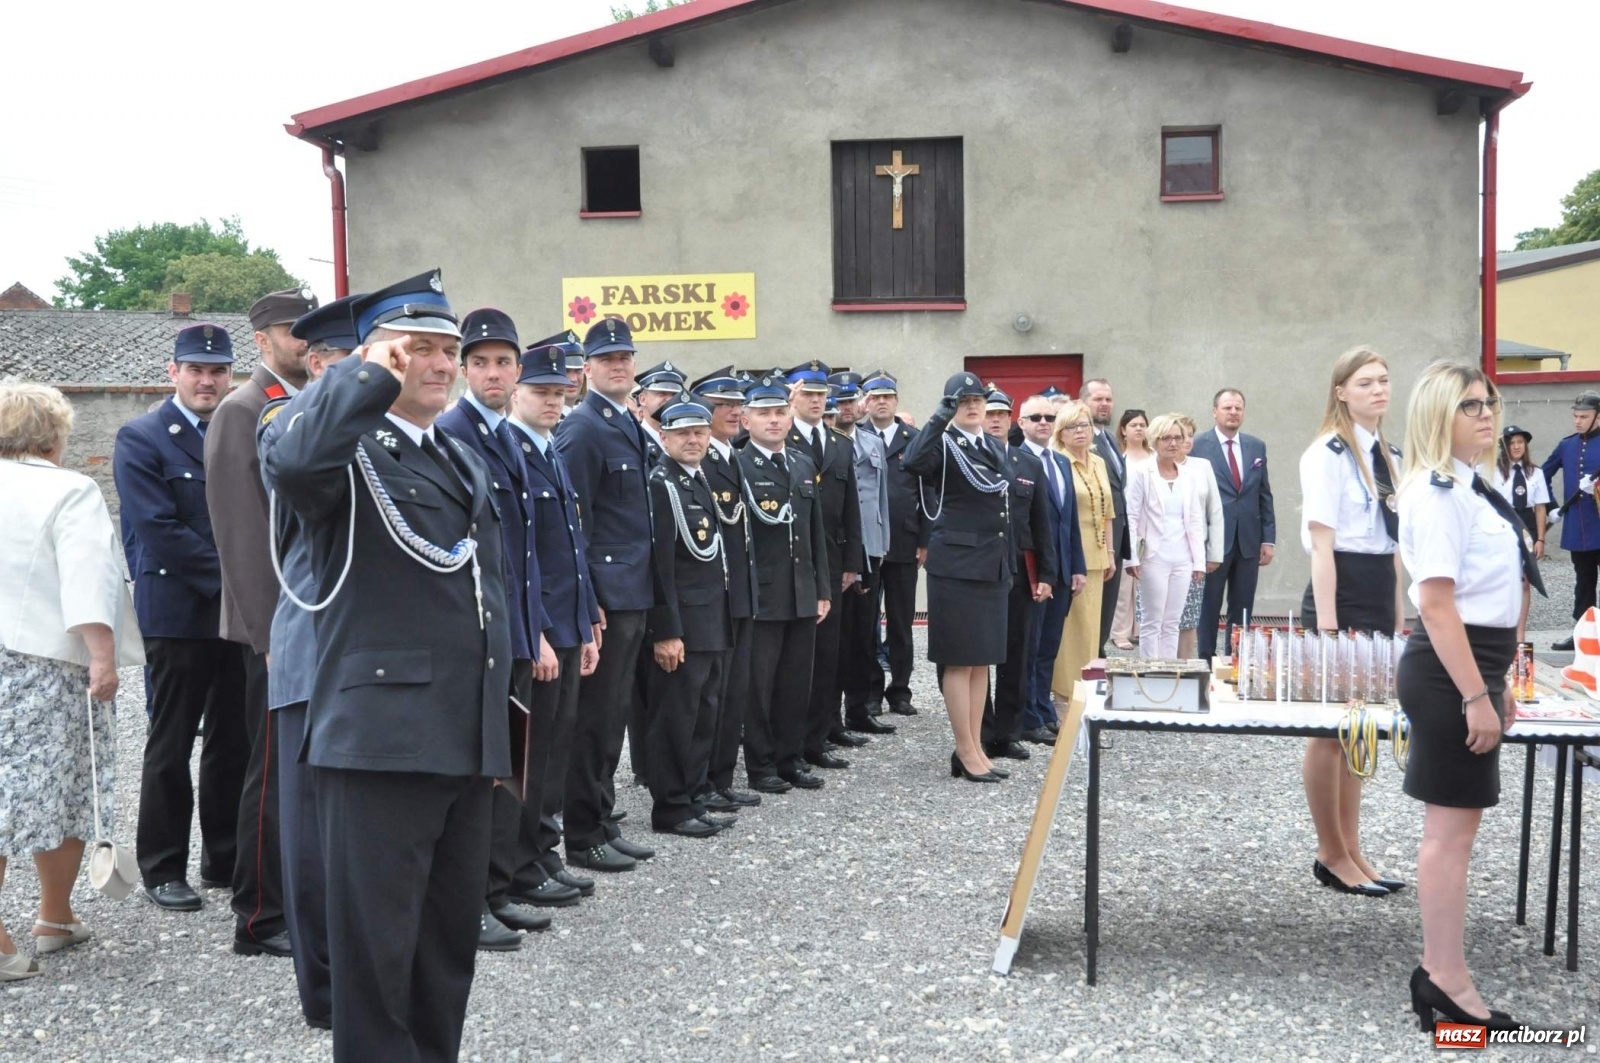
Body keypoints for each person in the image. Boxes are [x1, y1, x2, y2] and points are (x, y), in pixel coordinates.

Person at [264, 270, 513, 1063]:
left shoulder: (458, 455)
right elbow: (294, 462)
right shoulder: (342, 449)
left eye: (447, 349)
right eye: (418, 349)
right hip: (380, 738)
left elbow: (484, 591)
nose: (438, 364)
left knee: (445, 948)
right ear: (377, 356)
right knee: (376, 957)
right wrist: (366, 375)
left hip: (462, 734)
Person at [1396, 359, 1544, 1032]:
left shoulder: (1472, 486)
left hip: (1474, 665)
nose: (1487, 415)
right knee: (1449, 834)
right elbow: (1436, 603)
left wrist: (1496, 680)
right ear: (1437, 414)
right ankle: (1447, 983)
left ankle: (1440, 973)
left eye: (1488, 403)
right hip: (1450, 671)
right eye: (1470, 405)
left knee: (1456, 830)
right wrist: (1475, 695)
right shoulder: (1439, 493)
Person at [0, 383, 143, 980]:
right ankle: (36, 925)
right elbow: (88, 579)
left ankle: (56, 919)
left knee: (23, 795)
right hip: (45, 666)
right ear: (54, 434)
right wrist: (102, 657)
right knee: (62, 791)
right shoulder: (69, 489)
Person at [114, 323, 249, 914]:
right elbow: (158, 529)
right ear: (174, 373)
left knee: (233, 739)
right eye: (195, 369)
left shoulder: (240, 432)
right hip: (177, 613)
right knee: (170, 745)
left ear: (231, 376)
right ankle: (164, 866)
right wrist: (238, 581)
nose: (207, 380)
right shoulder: (143, 437)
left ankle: (224, 856)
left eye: (218, 371)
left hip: (237, 617)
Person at [435, 307, 555, 951]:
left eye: (503, 362)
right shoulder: (453, 433)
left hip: (513, 626)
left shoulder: (508, 435)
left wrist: (534, 630)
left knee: (510, 764)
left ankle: (498, 886)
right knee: (479, 774)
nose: (492, 373)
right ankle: (472, 899)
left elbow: (522, 551)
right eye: (479, 362)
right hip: (478, 632)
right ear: (463, 369)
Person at [256, 293, 360, 1027]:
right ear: (320, 366)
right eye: (359, 361)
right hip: (317, 647)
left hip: (375, 658)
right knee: (314, 831)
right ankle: (325, 986)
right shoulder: (287, 424)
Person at [206, 286, 319, 957]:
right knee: (271, 770)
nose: (303, 339)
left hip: (310, 622)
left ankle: (294, 897)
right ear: (261, 339)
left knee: (303, 767)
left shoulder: (303, 404)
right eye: (291, 329)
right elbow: (242, 536)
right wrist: (270, 632)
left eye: (309, 328)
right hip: (276, 629)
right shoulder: (243, 409)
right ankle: (257, 915)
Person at [1296, 347, 1407, 897]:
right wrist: (1329, 628)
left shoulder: (1389, 453)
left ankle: (1353, 847)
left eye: (1383, 380)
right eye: (1365, 382)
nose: (1378, 389)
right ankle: (1330, 851)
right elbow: (1322, 546)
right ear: (1341, 391)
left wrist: (1400, 614)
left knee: (1361, 730)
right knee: (1330, 731)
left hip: (1378, 589)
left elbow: (1394, 545)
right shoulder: (1328, 453)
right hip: (1339, 591)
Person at [553, 317, 658, 872]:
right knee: (592, 720)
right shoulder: (583, 428)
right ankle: (582, 833)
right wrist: (587, 597)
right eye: (607, 359)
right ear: (586, 369)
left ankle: (602, 819)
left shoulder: (625, 422)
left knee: (613, 715)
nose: (618, 365)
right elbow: (576, 524)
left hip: (632, 589)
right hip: (606, 595)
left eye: (625, 357)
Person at [503, 340, 603, 914]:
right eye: (540, 391)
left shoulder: (551, 449)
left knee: (555, 747)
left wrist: (586, 619)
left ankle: (542, 850)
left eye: (559, 393)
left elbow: (572, 547)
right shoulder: (513, 449)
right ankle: (520, 862)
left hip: (567, 621)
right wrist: (536, 631)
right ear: (517, 391)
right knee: (531, 751)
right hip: (538, 628)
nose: (551, 401)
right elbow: (520, 558)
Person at [903, 373, 1012, 782]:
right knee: (960, 660)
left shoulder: (992, 445)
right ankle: (964, 750)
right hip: (957, 565)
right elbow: (912, 462)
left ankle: (976, 746)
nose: (972, 406)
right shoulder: (943, 444)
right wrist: (937, 419)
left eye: (977, 399)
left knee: (982, 661)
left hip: (991, 562)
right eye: (962, 401)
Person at [644, 397, 738, 837]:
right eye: (683, 433)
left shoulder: (696, 479)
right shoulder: (661, 484)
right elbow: (659, 564)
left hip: (711, 619)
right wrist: (666, 630)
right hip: (685, 623)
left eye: (700, 432)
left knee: (704, 714)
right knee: (676, 719)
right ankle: (671, 807)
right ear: (664, 437)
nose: (694, 440)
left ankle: (694, 795)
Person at [739, 377, 832, 792]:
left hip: (801, 590)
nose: (774, 420)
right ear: (746, 420)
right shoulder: (738, 466)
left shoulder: (802, 464)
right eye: (764, 414)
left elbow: (814, 533)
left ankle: (789, 759)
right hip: (763, 592)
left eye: (780, 412)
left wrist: (822, 588)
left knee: (796, 682)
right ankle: (761, 766)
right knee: (760, 686)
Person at [688, 367, 761, 812]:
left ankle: (721, 777)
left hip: (740, 592)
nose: (734, 412)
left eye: (738, 404)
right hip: (714, 595)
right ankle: (699, 784)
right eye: (723, 405)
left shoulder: (733, 455)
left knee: (734, 692)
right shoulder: (700, 461)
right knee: (708, 696)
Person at [784, 361, 863, 765]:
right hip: (792, 560)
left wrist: (852, 560)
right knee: (796, 657)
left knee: (829, 651)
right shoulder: (780, 436)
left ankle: (819, 736)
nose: (816, 401)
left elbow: (851, 508)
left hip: (832, 558)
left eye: (821, 395)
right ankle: (791, 739)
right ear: (792, 397)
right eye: (808, 394)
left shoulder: (840, 443)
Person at [979, 388, 1059, 762]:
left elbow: (1041, 523)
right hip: (979, 570)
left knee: (1017, 654)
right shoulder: (964, 459)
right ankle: (980, 731)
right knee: (978, 656)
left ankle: (1007, 732)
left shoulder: (1026, 463)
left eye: (1001, 414)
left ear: (1011, 419)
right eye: (989, 413)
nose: (995, 420)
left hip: (1019, 569)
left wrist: (1047, 573)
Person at [1015, 394, 1086, 744]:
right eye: (1035, 417)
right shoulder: (1016, 460)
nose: (1043, 422)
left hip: (1061, 569)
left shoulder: (1060, 461)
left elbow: (1069, 519)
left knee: (1048, 648)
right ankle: (1027, 717)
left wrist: (1078, 566)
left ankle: (1043, 710)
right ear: (1021, 423)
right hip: (1032, 571)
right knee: (1029, 648)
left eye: (1049, 417)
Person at [830, 371, 895, 736]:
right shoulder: (826, 442)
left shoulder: (872, 443)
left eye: (851, 400)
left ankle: (859, 708)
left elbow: (880, 496)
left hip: (869, 547)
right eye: (839, 401)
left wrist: (882, 545)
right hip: (839, 550)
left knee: (864, 635)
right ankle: (830, 717)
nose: (846, 407)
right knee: (836, 638)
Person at [1191, 388, 1276, 658]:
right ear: (1214, 411)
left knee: (1243, 608)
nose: (1233, 412)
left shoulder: (1256, 446)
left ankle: (1236, 661)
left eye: (1238, 408)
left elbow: (1264, 494)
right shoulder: (1198, 445)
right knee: (1209, 606)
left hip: (1248, 541)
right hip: (1213, 541)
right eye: (1227, 407)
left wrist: (1268, 539)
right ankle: (1206, 661)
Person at [863, 371, 923, 716]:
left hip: (904, 541)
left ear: (896, 401)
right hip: (868, 546)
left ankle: (900, 690)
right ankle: (871, 689)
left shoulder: (913, 439)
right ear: (866, 401)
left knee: (901, 621)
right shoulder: (856, 436)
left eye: (887, 396)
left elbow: (927, 493)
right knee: (867, 622)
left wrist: (925, 540)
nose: (881, 402)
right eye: (875, 397)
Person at [1124, 415, 1206, 660]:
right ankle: (1150, 671)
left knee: (1173, 622)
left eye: (1178, 438)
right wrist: (1131, 558)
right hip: (1153, 556)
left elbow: (1195, 520)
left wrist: (1199, 562)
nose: (1173, 443)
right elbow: (1131, 516)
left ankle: (1169, 671)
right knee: (1152, 622)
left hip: (1183, 558)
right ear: (1154, 440)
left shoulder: (1189, 475)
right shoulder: (1141, 472)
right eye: (1166, 438)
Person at [1050, 401, 1117, 703]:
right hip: (1071, 556)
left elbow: (1108, 512)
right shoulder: (1058, 461)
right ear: (1060, 433)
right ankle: (1065, 690)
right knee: (1071, 628)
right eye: (1072, 426)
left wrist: (1110, 552)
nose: (1080, 431)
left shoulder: (1099, 461)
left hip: (1098, 553)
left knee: (1092, 627)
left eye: (1085, 425)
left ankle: (1087, 686)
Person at [1538, 393, 1600, 650]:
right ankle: (1582, 635)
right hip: (1580, 527)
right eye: (1575, 416)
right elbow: (1541, 476)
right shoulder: (1567, 445)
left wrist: (1597, 487)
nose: (1578, 421)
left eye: (1584, 416)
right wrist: (1553, 507)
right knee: (1583, 582)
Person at [1491, 426, 1550, 641]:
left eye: (1520, 442)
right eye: (1511, 443)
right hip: (1502, 522)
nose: (1516, 447)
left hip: (1526, 526)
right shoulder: (1492, 470)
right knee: (1502, 578)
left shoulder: (1535, 472)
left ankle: (1519, 634)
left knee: (1524, 580)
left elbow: (1540, 508)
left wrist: (1540, 538)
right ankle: (1500, 628)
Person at [1174, 416, 1224, 660]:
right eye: (1180, 435)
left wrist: (1214, 553)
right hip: (1162, 550)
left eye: (1190, 435)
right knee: (1161, 616)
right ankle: (1159, 668)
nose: (1186, 440)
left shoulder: (1202, 466)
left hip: (1195, 551)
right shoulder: (1151, 466)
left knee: (1190, 616)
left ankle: (1184, 667)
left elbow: (1215, 511)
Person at [1083, 379, 1126, 654]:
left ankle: (1097, 656)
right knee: (1091, 613)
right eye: (1098, 399)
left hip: (1116, 538)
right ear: (1083, 402)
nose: (1104, 404)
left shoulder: (1109, 439)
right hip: (1095, 540)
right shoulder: (1084, 441)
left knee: (1106, 611)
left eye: (1108, 399)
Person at [1109, 409, 1151, 651]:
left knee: (1147, 581)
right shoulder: (1119, 457)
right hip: (1127, 524)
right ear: (1123, 430)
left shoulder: (1154, 456)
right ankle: (1120, 631)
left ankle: (1142, 628)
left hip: (1151, 525)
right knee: (1125, 583)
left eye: (1142, 425)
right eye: (1133, 425)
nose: (1138, 429)